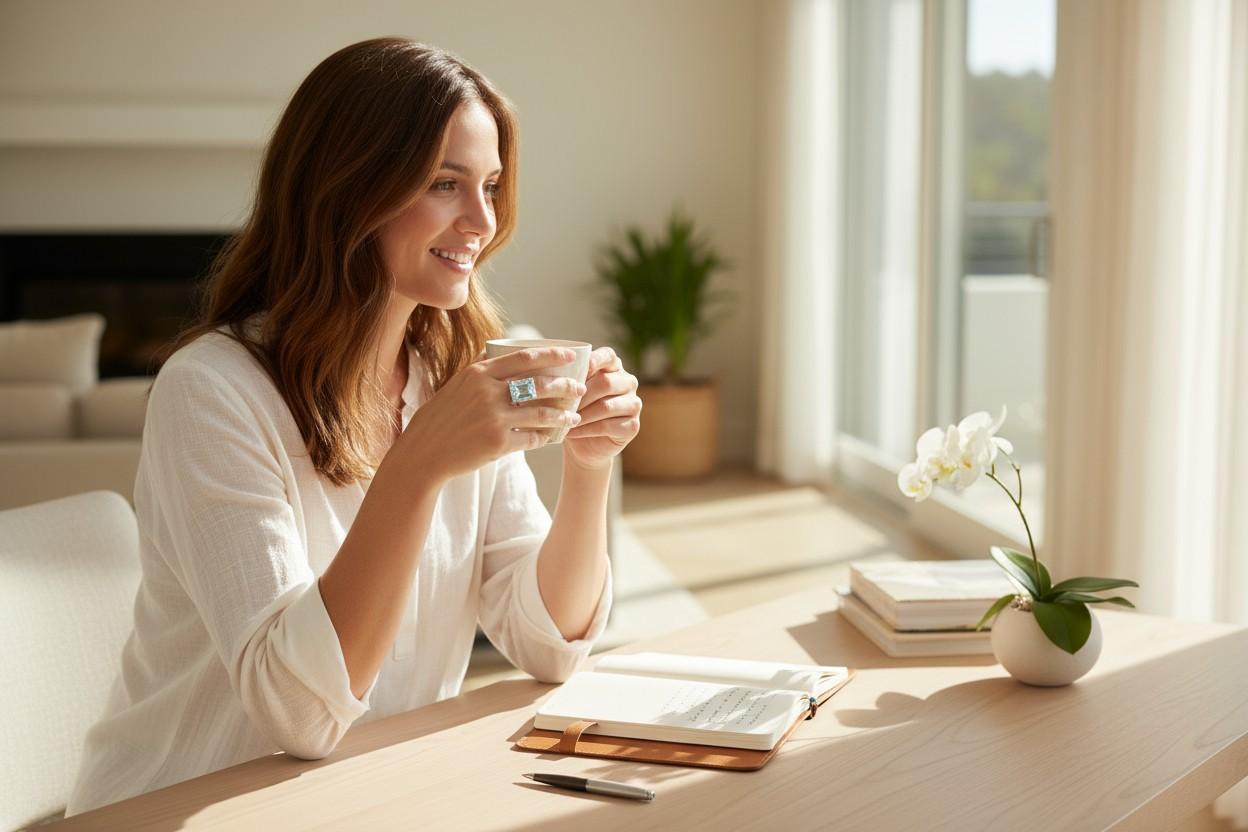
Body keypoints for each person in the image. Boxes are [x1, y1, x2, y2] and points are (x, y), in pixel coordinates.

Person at [66, 38, 640, 814]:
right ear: (349, 190)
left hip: (368, 796)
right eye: (446, 183)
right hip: (179, 807)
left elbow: (546, 645)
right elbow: (298, 712)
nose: (483, 220)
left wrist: (589, 465)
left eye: (492, 185)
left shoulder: (451, 374)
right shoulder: (211, 391)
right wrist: (418, 463)